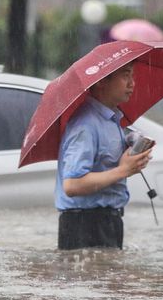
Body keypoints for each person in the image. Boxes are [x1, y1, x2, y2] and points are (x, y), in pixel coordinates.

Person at [56, 62, 152, 250]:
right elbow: (72, 185)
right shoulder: (85, 125)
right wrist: (123, 170)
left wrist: (132, 155)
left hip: (108, 220)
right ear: (101, 82)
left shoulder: (112, 120)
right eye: (125, 76)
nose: (132, 83)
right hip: (84, 224)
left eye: (132, 76)